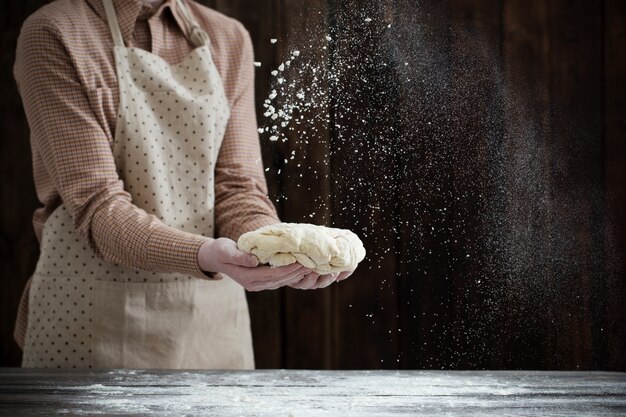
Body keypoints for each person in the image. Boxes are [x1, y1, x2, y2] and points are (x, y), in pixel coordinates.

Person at [13, 0, 354, 369]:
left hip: (212, 327)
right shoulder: (55, 31)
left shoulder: (227, 36)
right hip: (94, 327)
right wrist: (204, 255)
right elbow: (98, 207)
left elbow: (237, 189)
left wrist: (279, 249)